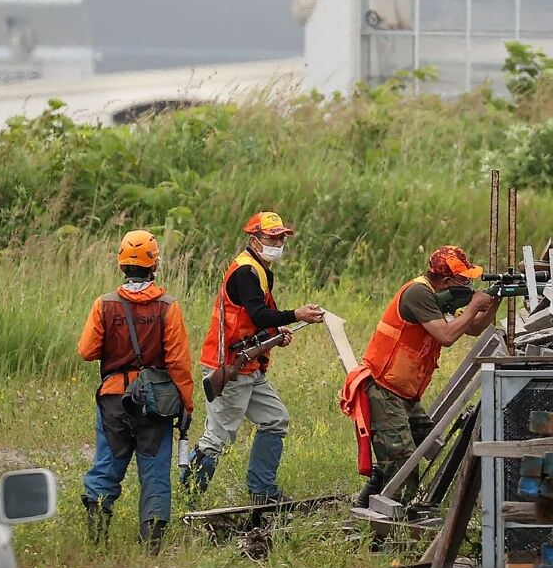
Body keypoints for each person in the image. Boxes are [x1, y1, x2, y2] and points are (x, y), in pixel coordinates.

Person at [342, 246, 500, 506]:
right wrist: (473, 306)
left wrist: (493, 303)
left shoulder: (439, 297)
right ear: (448, 281)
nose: (468, 283)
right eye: (464, 279)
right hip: (383, 389)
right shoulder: (419, 293)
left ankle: (363, 508)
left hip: (403, 393)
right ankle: (392, 529)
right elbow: (447, 336)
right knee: (403, 464)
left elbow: (471, 329)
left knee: (417, 448)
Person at [192, 212, 325, 505]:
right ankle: (187, 499)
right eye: (271, 237)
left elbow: (255, 320)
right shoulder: (245, 272)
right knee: (217, 438)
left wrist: (275, 332)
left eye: (281, 237)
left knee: (276, 419)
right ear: (254, 240)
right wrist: (295, 315)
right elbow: (258, 314)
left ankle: (262, 492)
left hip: (248, 364)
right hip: (230, 366)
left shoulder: (260, 269)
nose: (278, 242)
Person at [78, 230, 194, 553]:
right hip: (155, 403)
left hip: (114, 400)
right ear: (154, 264)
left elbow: (86, 350)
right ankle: (151, 549)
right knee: (155, 470)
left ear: (121, 264)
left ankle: (96, 543)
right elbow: (179, 363)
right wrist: (187, 403)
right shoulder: (169, 307)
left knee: (107, 465)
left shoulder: (104, 305)